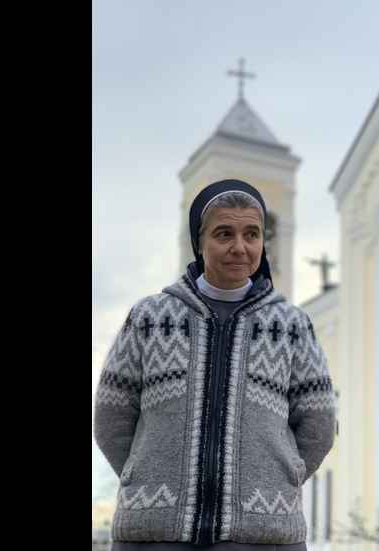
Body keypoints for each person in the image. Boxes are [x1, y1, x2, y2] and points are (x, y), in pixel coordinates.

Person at [94, 179, 336, 550]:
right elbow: (111, 414)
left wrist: (277, 478)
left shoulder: (292, 324)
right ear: (200, 242)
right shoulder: (149, 316)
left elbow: (318, 424)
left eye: (251, 234)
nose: (240, 247)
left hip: (263, 537)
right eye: (224, 233)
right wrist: (144, 475)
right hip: (154, 536)